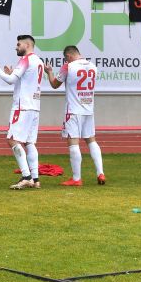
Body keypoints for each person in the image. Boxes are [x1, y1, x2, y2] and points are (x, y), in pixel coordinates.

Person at [0, 35, 45, 190]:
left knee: (12, 139)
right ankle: (36, 179)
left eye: (19, 44)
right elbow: (23, 80)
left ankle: (26, 176)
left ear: (27, 45)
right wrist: (13, 73)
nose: (16, 46)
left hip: (23, 106)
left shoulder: (26, 60)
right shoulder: (39, 61)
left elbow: (10, 80)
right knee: (30, 142)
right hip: (35, 106)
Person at [46, 45, 106, 187]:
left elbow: (55, 84)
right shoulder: (92, 66)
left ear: (68, 56)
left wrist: (49, 72)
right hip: (88, 109)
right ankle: (100, 172)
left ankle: (76, 178)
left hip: (73, 109)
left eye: (65, 58)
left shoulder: (68, 66)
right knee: (91, 140)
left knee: (73, 143)